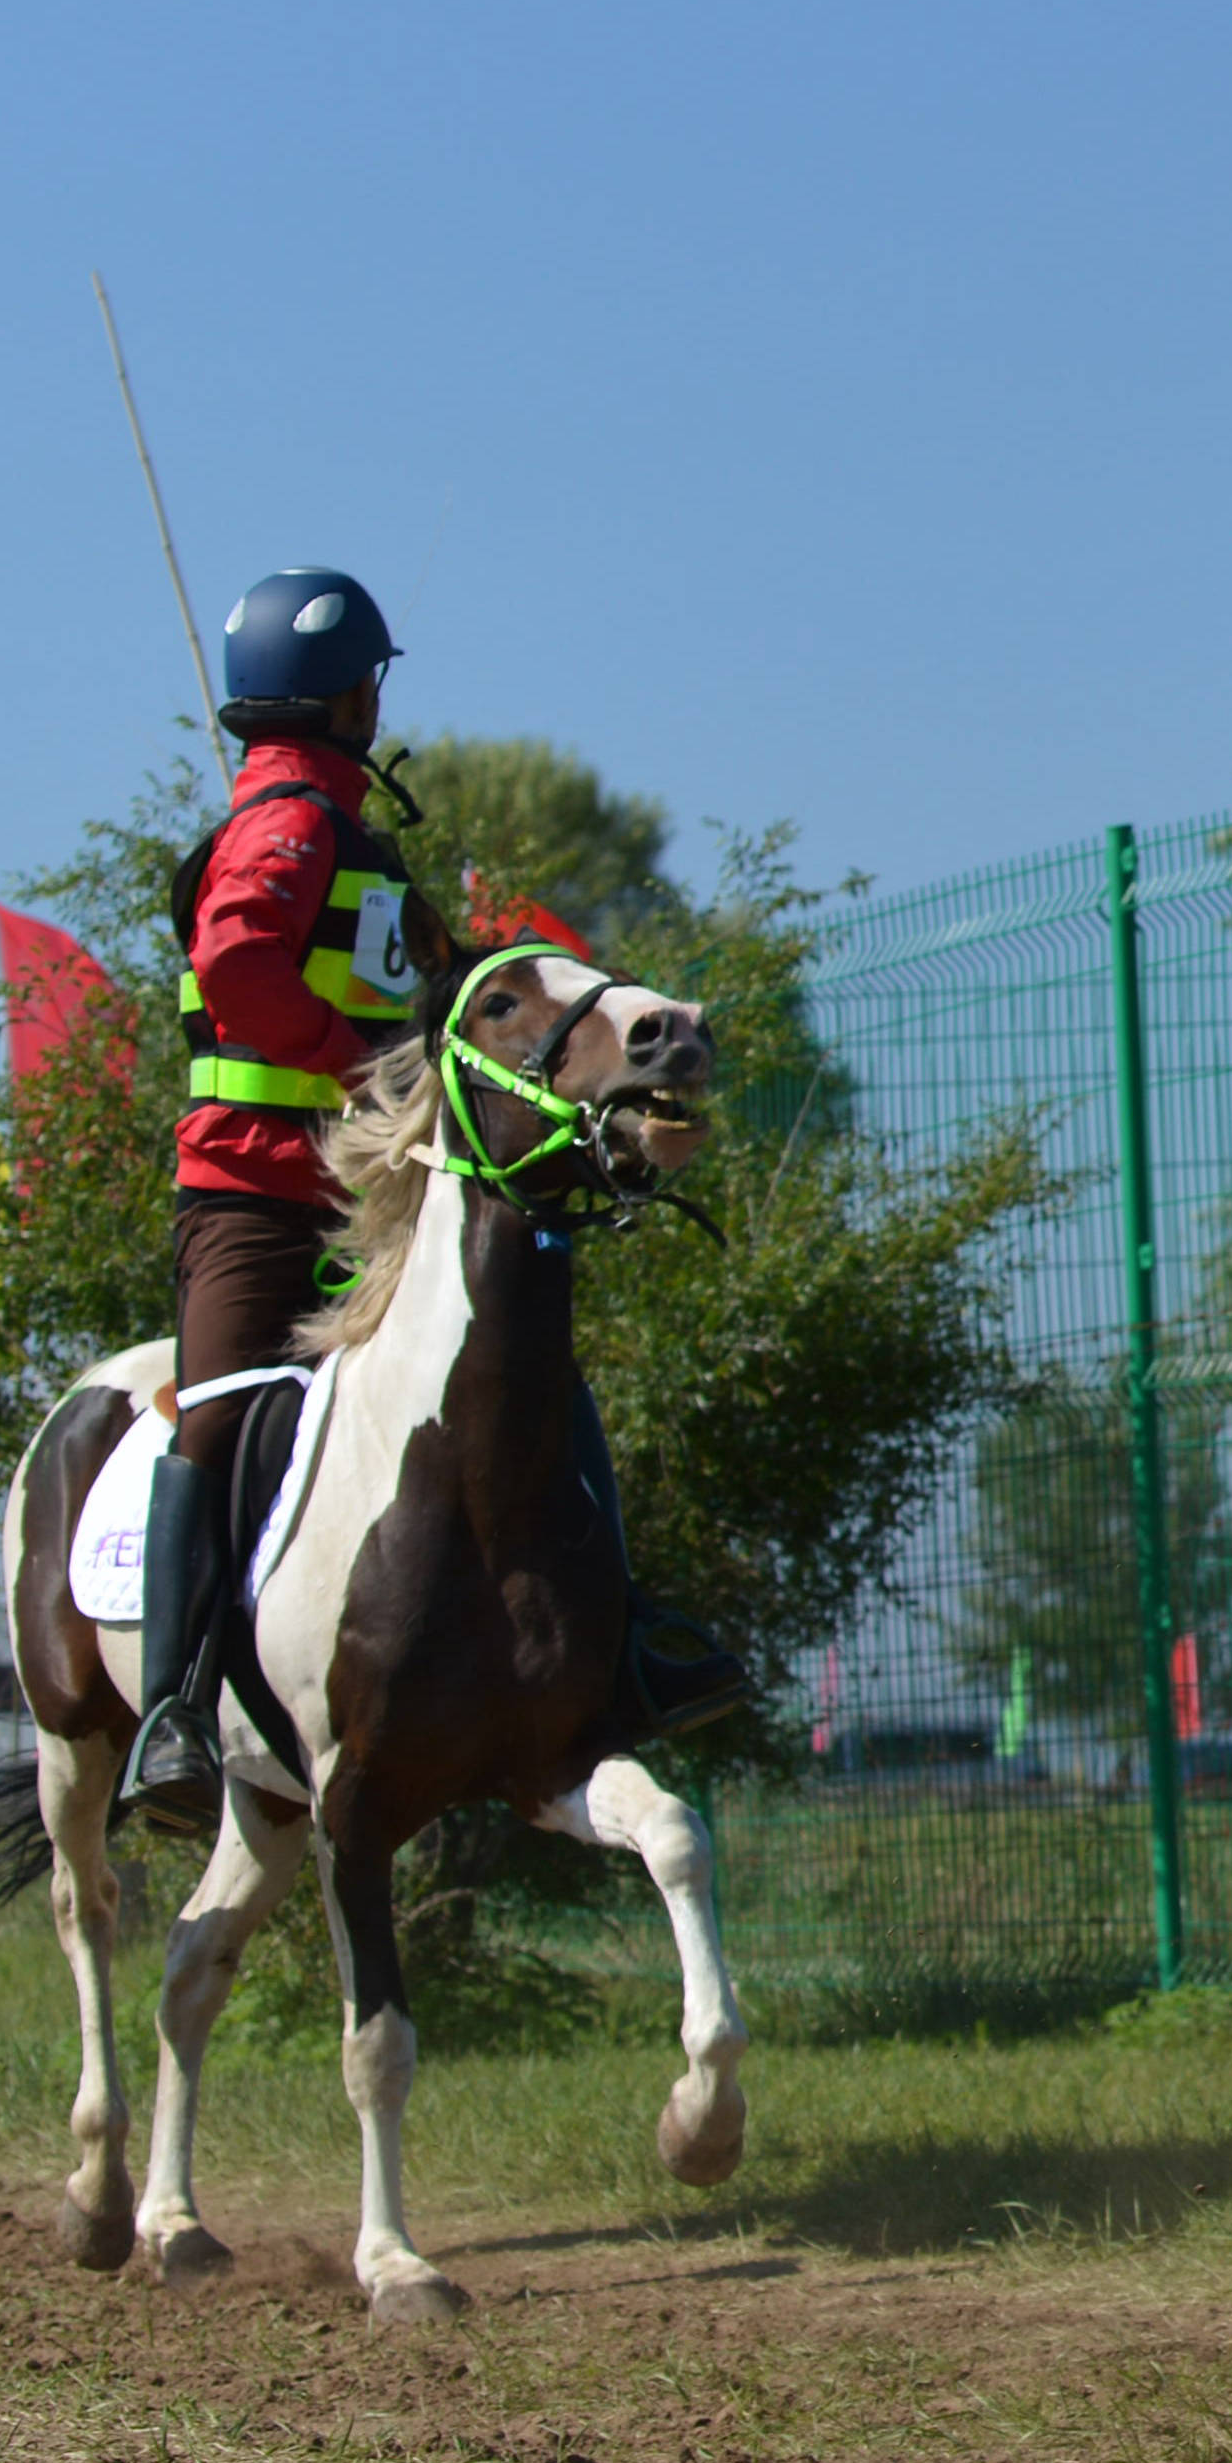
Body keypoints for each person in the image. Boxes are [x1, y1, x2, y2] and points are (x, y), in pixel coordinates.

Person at [136, 568, 738, 1787]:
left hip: (369, 1193)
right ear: (349, 694)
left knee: (522, 1381)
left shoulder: (346, 833)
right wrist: (368, 1069)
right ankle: (172, 1714)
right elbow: (242, 963)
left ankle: (620, 1651)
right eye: (372, 679)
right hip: (256, 1196)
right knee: (217, 1422)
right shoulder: (291, 826)